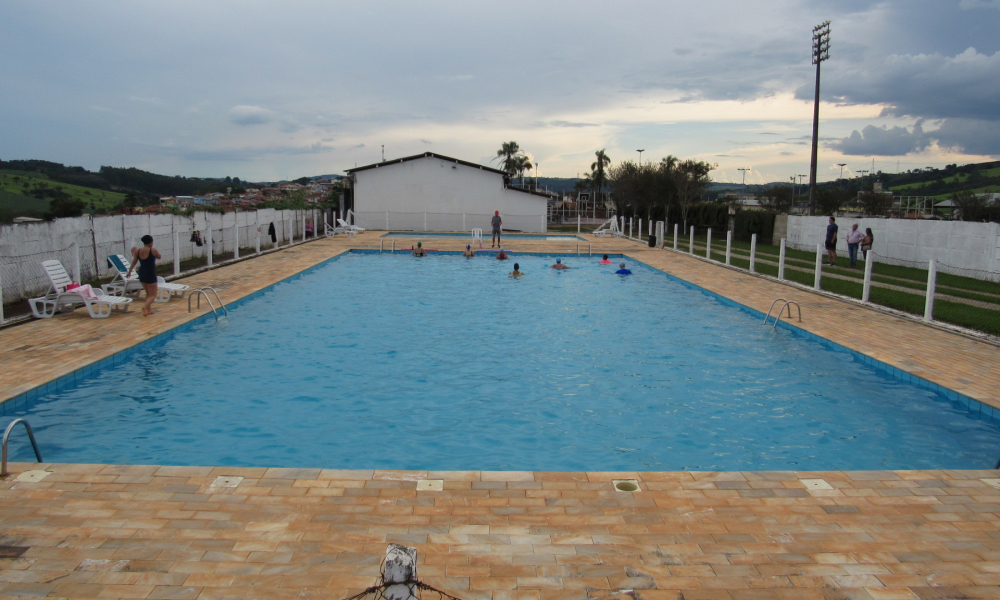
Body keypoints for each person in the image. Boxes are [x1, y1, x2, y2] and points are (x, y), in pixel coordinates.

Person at [126, 234, 162, 317]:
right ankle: (145, 307)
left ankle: (148, 311)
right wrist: (156, 254)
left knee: (148, 294)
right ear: (150, 243)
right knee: (153, 295)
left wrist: (129, 272)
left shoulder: (138, 251)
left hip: (142, 274)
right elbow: (159, 257)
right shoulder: (153, 250)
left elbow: (134, 262)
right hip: (150, 274)